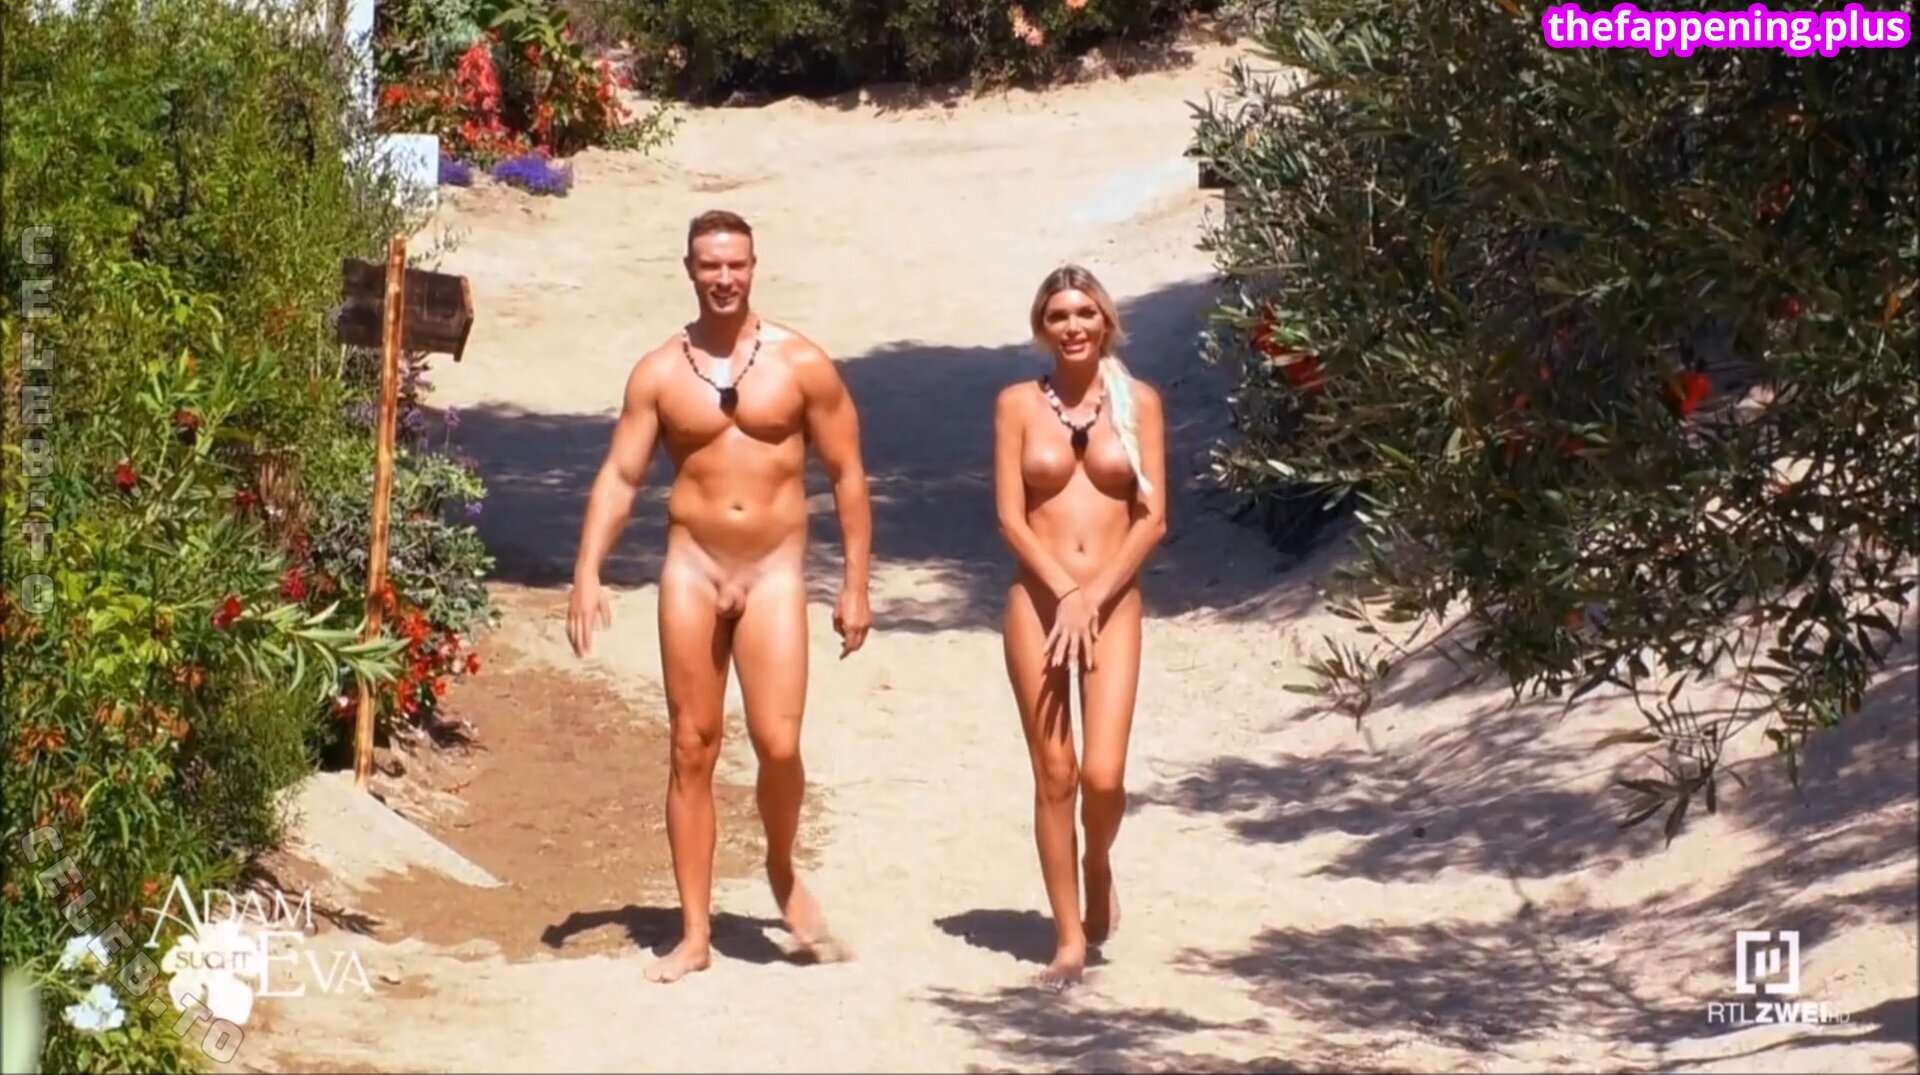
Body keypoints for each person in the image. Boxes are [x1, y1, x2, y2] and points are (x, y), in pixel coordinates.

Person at [566, 209, 874, 984]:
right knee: (690, 745)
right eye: (711, 265)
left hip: (773, 571)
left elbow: (846, 474)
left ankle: (780, 863)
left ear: (754, 266)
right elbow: (622, 476)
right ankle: (695, 934)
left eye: (736, 264)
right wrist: (587, 569)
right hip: (692, 568)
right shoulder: (659, 372)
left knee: (778, 743)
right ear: (690, 270)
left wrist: (855, 582)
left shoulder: (802, 363)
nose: (724, 278)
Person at [993, 263, 1168, 989]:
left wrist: (1092, 595)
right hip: (1038, 602)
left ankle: (1098, 859)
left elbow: (1152, 517)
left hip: (1112, 602)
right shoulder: (1015, 404)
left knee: (1103, 775)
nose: (1073, 327)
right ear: (1042, 326)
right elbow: (1010, 517)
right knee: (1055, 773)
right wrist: (1064, 591)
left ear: (1106, 322)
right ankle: (1067, 938)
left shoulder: (1139, 403)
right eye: (1059, 315)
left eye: (1085, 313)